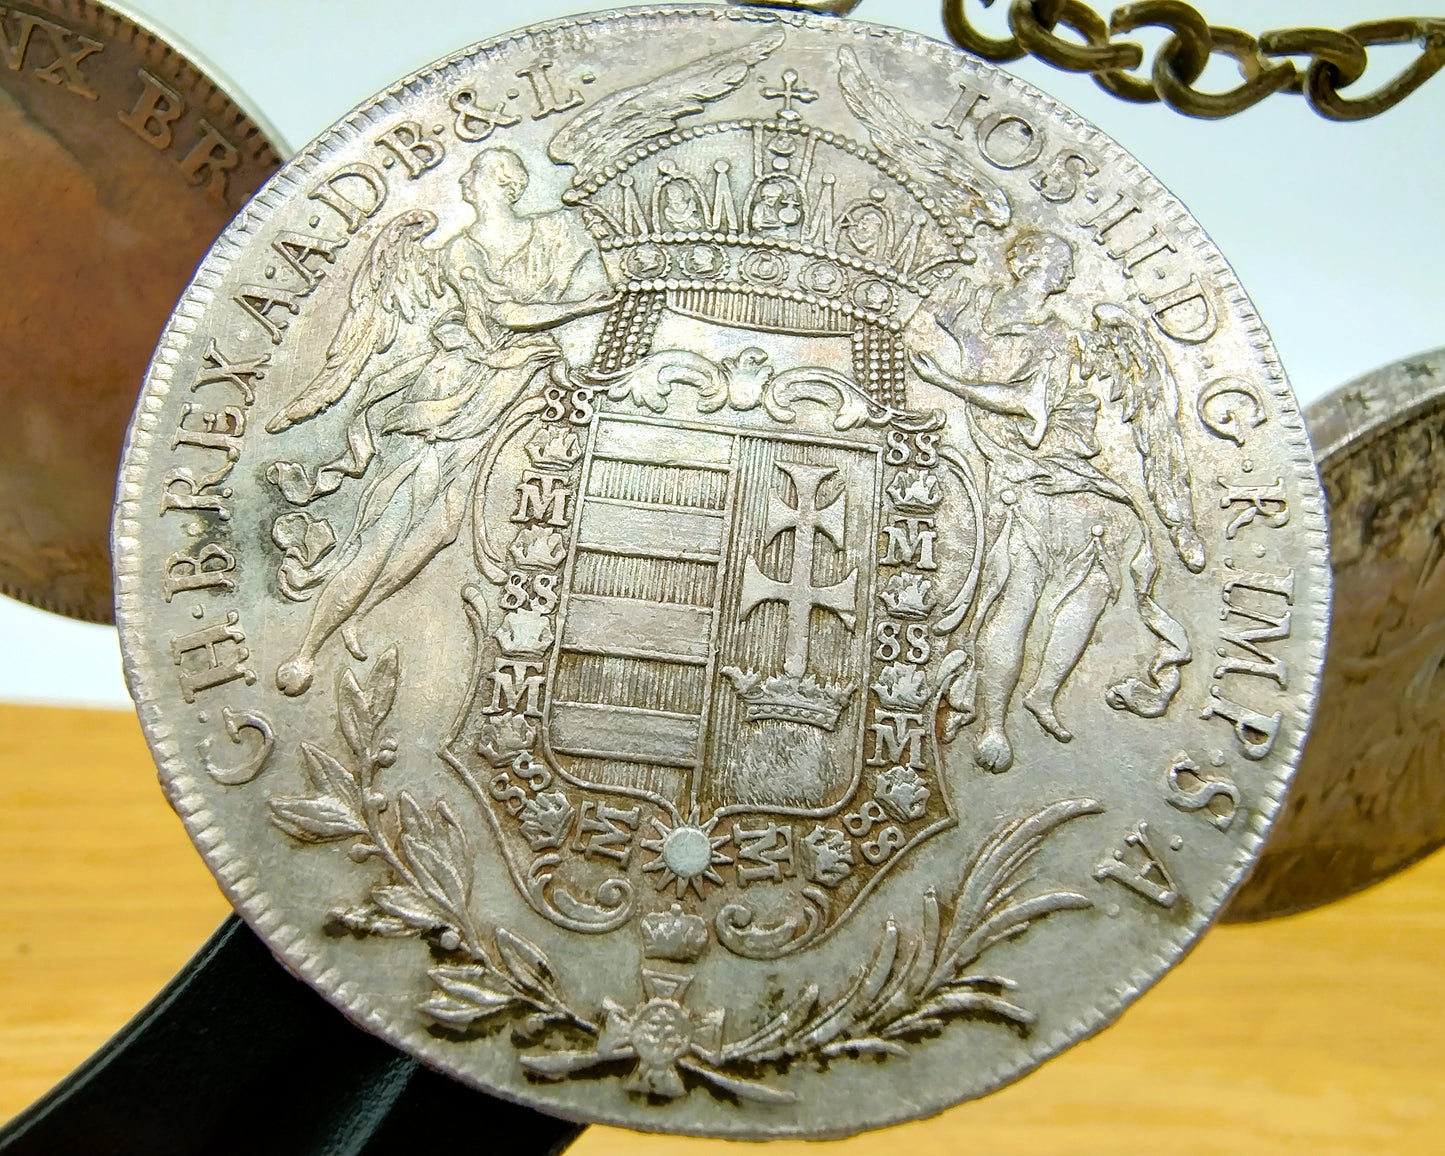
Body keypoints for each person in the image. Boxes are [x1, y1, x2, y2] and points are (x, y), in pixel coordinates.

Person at [270, 148, 612, 697]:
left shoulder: (553, 233)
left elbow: (597, 231)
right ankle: (306, 649)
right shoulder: (461, 251)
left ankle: (360, 615)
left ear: (504, 182)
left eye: (477, 173)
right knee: (391, 516)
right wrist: (587, 304)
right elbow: (502, 315)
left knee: (444, 525)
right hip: (451, 387)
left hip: (504, 382)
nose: (468, 181)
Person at [907, 230, 1201, 772]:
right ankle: (995, 723)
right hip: (1024, 477)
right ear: (1026, 262)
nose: (1066, 276)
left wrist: (948, 380)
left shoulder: (1059, 335)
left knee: (1099, 571)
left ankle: (1042, 693)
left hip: (1059, 462)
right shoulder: (971, 306)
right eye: (1059, 262)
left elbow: (1028, 404)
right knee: (1022, 589)